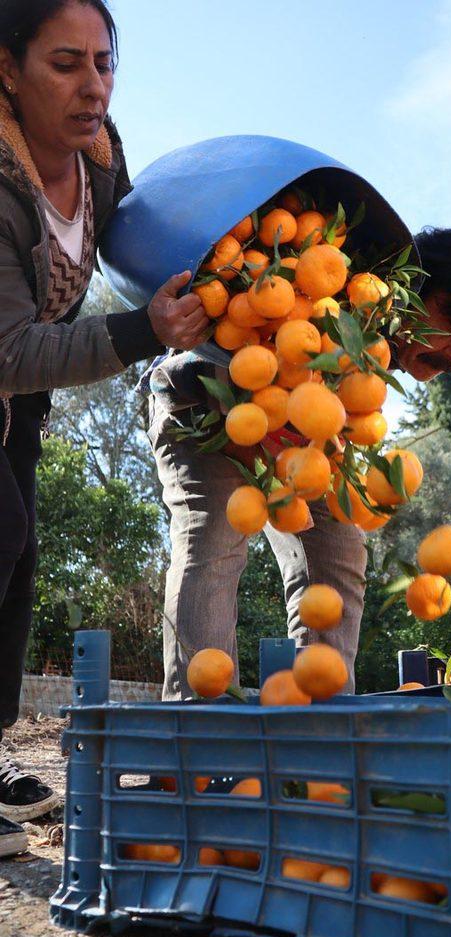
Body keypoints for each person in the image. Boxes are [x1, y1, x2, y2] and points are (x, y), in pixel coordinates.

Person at [146, 222, 451, 704]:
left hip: (291, 434)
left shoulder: (375, 331)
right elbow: (246, 355)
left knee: (340, 549)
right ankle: (196, 738)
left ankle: (321, 732)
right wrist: (265, 471)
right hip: (202, 399)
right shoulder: (337, 285)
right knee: (216, 538)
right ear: (420, 290)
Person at [0, 0, 210, 858]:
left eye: (104, 61)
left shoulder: (99, 152)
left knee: (17, 563)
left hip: (15, 400)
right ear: (6, 69)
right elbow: (11, 348)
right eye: (64, 64)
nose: (94, 86)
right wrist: (142, 333)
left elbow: (143, 238)